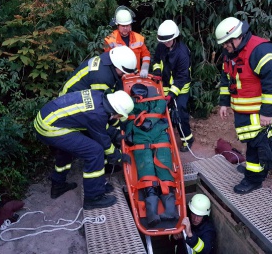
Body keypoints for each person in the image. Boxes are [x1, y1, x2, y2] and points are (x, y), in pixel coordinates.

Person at [215, 17, 272, 194]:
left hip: (261, 111)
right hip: (248, 111)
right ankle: (256, 169)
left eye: (226, 43)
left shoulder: (262, 51)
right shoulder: (231, 54)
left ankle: (254, 179)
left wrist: (266, 112)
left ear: (237, 37)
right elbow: (227, 78)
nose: (224, 47)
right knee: (254, 142)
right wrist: (224, 103)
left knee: (257, 144)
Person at [34, 89, 134, 209]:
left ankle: (58, 185)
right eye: (120, 116)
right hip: (49, 128)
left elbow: (97, 123)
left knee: (67, 149)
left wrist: (113, 133)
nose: (118, 118)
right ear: (116, 111)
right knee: (95, 151)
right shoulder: (97, 115)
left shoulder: (99, 96)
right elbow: (103, 141)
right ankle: (93, 197)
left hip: (47, 119)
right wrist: (117, 155)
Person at [125, 83, 178, 227]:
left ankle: (170, 209)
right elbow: (127, 117)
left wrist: (150, 120)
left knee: (163, 165)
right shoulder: (131, 103)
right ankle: (152, 212)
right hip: (141, 135)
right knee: (147, 168)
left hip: (157, 132)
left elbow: (162, 104)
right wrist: (129, 132)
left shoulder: (156, 99)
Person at [152, 20, 194, 152]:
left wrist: (171, 95)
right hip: (164, 85)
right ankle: (165, 138)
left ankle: (187, 139)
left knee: (180, 112)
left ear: (174, 38)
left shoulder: (182, 53)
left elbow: (181, 78)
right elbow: (156, 60)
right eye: (164, 41)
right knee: (163, 114)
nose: (166, 43)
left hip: (180, 89)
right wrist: (157, 70)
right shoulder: (161, 46)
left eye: (168, 41)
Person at [59, 45, 137, 96]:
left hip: (75, 90)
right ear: (116, 65)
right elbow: (100, 103)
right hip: (70, 98)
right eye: (123, 72)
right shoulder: (102, 77)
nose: (123, 74)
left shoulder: (107, 59)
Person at [104, 6, 151, 78]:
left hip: (136, 76)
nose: (125, 28)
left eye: (127, 25)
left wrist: (144, 69)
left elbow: (146, 55)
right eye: (123, 26)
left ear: (130, 25)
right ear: (118, 25)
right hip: (118, 77)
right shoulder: (109, 40)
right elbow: (107, 60)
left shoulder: (138, 38)